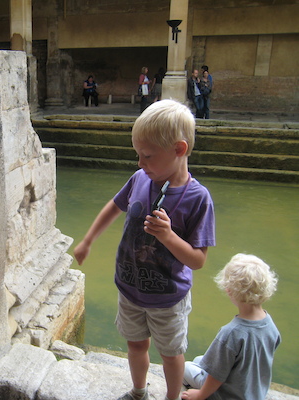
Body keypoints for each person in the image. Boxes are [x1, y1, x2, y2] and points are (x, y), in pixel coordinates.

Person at [74, 99, 215, 400]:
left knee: (170, 353)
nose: (140, 163)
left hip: (168, 298)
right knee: (136, 345)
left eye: (148, 156)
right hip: (130, 288)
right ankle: (139, 392)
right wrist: (88, 240)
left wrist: (168, 236)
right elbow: (114, 207)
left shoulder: (197, 199)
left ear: (179, 150)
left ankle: (171, 397)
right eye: (138, 155)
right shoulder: (140, 179)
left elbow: (198, 260)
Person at [182, 253, 281, 400]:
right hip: (253, 391)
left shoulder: (231, 333)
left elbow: (217, 376)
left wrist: (200, 395)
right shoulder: (270, 324)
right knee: (199, 359)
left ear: (229, 290)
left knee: (184, 367)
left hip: (228, 394)